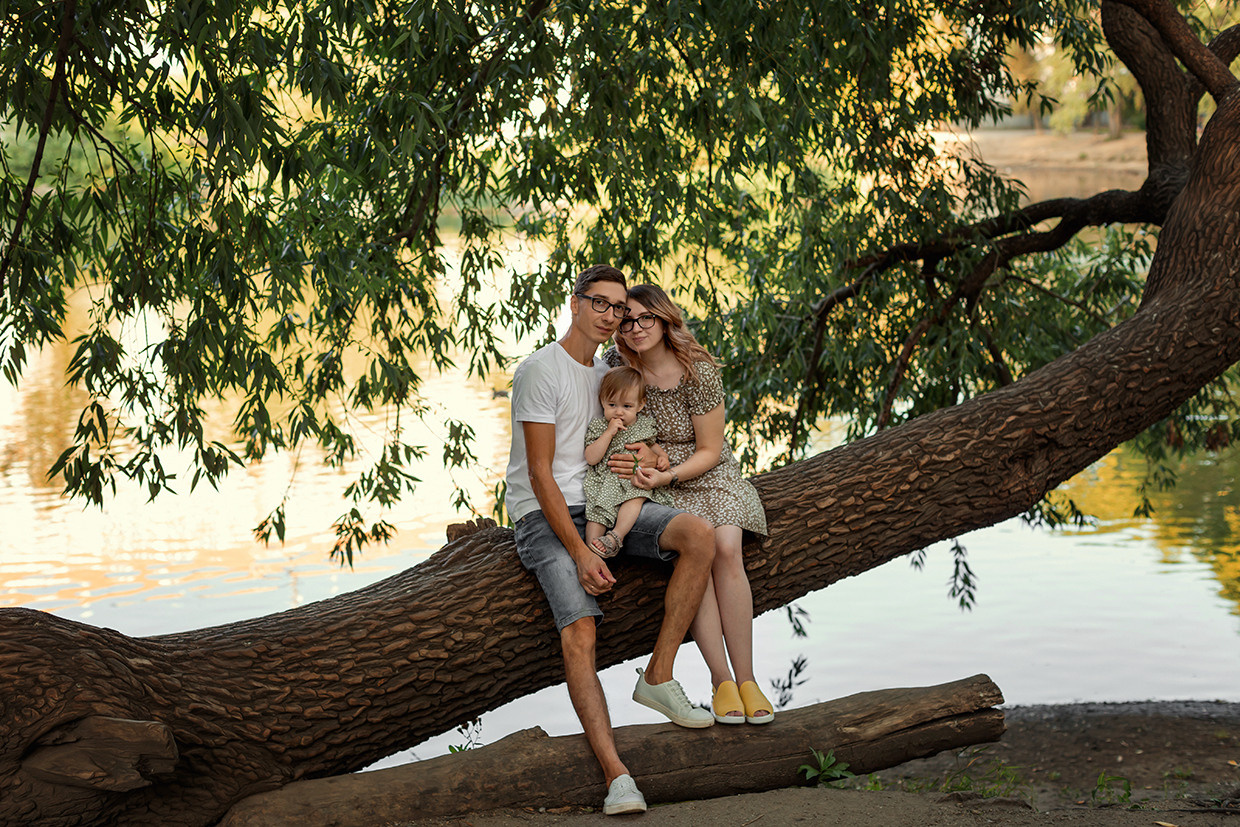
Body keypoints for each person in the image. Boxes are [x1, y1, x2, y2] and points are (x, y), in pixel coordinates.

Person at [504, 265, 718, 817]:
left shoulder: (608, 374)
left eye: (618, 307)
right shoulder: (539, 371)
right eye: (600, 303)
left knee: (698, 534)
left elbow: (633, 433)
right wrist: (578, 552)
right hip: (543, 515)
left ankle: (659, 674)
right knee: (579, 628)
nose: (611, 315)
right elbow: (541, 474)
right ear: (574, 304)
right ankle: (617, 775)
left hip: (608, 499)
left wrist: (649, 459)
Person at [605, 283, 774, 726]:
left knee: (726, 548)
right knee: (694, 553)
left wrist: (669, 473)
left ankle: (748, 678)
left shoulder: (695, 370)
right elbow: (615, 430)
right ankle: (721, 681)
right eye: (627, 320)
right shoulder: (618, 367)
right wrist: (644, 465)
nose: (636, 328)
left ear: (664, 320)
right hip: (654, 476)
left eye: (646, 318)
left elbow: (710, 450)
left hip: (703, 470)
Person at [583, 366, 674, 557]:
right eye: (612, 405)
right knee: (596, 513)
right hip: (605, 483)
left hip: (631, 480)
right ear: (602, 402)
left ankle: (616, 537)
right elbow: (591, 458)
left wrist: (662, 458)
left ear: (640, 406)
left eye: (627, 406)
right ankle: (591, 552)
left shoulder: (643, 425)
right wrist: (608, 433)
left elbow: (653, 445)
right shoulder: (600, 426)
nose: (619, 413)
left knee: (637, 494)